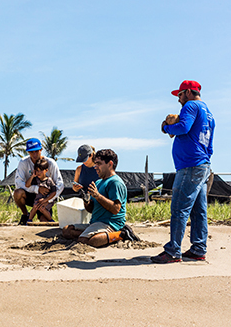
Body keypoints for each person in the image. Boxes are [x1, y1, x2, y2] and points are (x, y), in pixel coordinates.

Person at [151, 80, 215, 264]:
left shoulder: (190, 106)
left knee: (179, 208)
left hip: (190, 166)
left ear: (187, 92)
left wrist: (166, 128)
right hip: (202, 164)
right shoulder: (209, 113)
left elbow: (183, 127)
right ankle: (198, 249)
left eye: (179, 95)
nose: (178, 99)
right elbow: (209, 145)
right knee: (198, 211)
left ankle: (173, 251)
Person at [62, 149, 139, 247]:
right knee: (67, 231)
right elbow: (91, 210)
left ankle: (121, 234)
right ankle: (94, 234)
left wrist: (98, 196)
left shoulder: (115, 182)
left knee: (89, 240)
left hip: (111, 224)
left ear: (110, 164)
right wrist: (86, 200)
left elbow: (116, 209)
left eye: (99, 164)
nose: (95, 167)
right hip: (96, 223)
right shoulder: (98, 182)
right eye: (95, 164)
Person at [14, 138, 64, 225]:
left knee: (44, 223)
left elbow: (60, 185)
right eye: (31, 152)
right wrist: (37, 189)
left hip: (46, 197)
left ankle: (46, 217)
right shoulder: (23, 162)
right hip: (30, 195)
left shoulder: (51, 163)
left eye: (36, 151)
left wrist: (47, 200)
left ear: (41, 149)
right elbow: (18, 183)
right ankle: (25, 215)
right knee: (17, 193)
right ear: (28, 152)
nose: (34, 154)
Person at [25, 158, 57, 223]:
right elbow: (27, 185)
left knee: (42, 209)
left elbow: (54, 192)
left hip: (47, 201)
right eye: (37, 170)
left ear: (46, 170)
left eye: (41, 170)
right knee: (35, 207)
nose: (39, 173)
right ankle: (29, 220)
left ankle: (51, 220)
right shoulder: (35, 179)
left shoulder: (49, 180)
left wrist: (46, 200)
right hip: (37, 200)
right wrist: (32, 176)